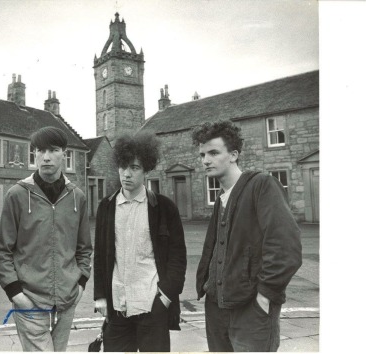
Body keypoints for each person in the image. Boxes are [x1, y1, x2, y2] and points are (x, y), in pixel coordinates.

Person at [193, 120, 302, 352]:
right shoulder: (221, 198)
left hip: (251, 310)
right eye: (202, 154)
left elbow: (286, 247)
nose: (205, 160)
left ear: (233, 154)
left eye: (213, 152)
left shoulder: (262, 185)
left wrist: (266, 296)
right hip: (216, 309)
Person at [0, 126, 92, 352]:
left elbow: (84, 248)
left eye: (53, 150)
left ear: (64, 154)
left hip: (67, 302)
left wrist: (81, 285)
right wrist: (16, 294)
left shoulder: (77, 196)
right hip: (30, 302)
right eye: (40, 151)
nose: (46, 157)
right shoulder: (17, 195)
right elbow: (2, 251)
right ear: (34, 154)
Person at [93, 131, 187, 352]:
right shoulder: (106, 207)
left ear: (146, 170)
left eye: (134, 168)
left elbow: (178, 258)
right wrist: (100, 296)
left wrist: (164, 298)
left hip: (152, 304)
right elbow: (100, 255)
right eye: (123, 167)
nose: (127, 174)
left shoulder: (164, 208)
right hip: (117, 306)